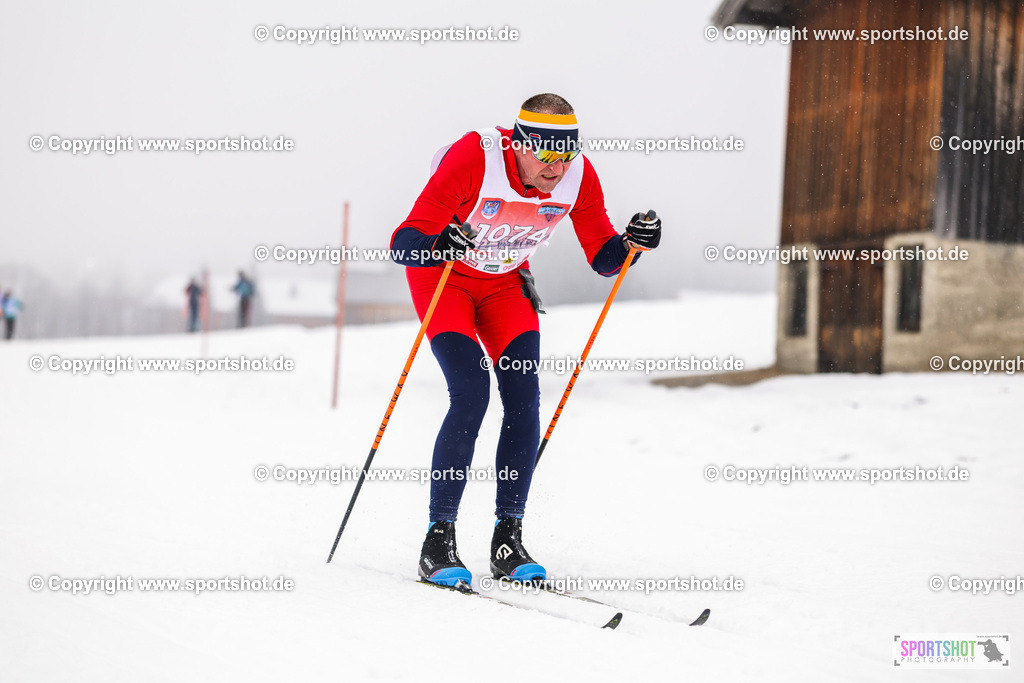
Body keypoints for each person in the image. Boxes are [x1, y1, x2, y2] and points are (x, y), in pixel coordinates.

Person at [390, 93, 662, 587]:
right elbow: (403, 243)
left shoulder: (579, 176)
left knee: (524, 399)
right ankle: (438, 539)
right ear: (517, 143)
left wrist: (633, 244)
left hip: (504, 284)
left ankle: (507, 538)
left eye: (566, 155)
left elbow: (604, 258)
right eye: (545, 153)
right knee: (471, 393)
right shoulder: (474, 157)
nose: (556, 168)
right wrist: (438, 245)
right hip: (445, 278)